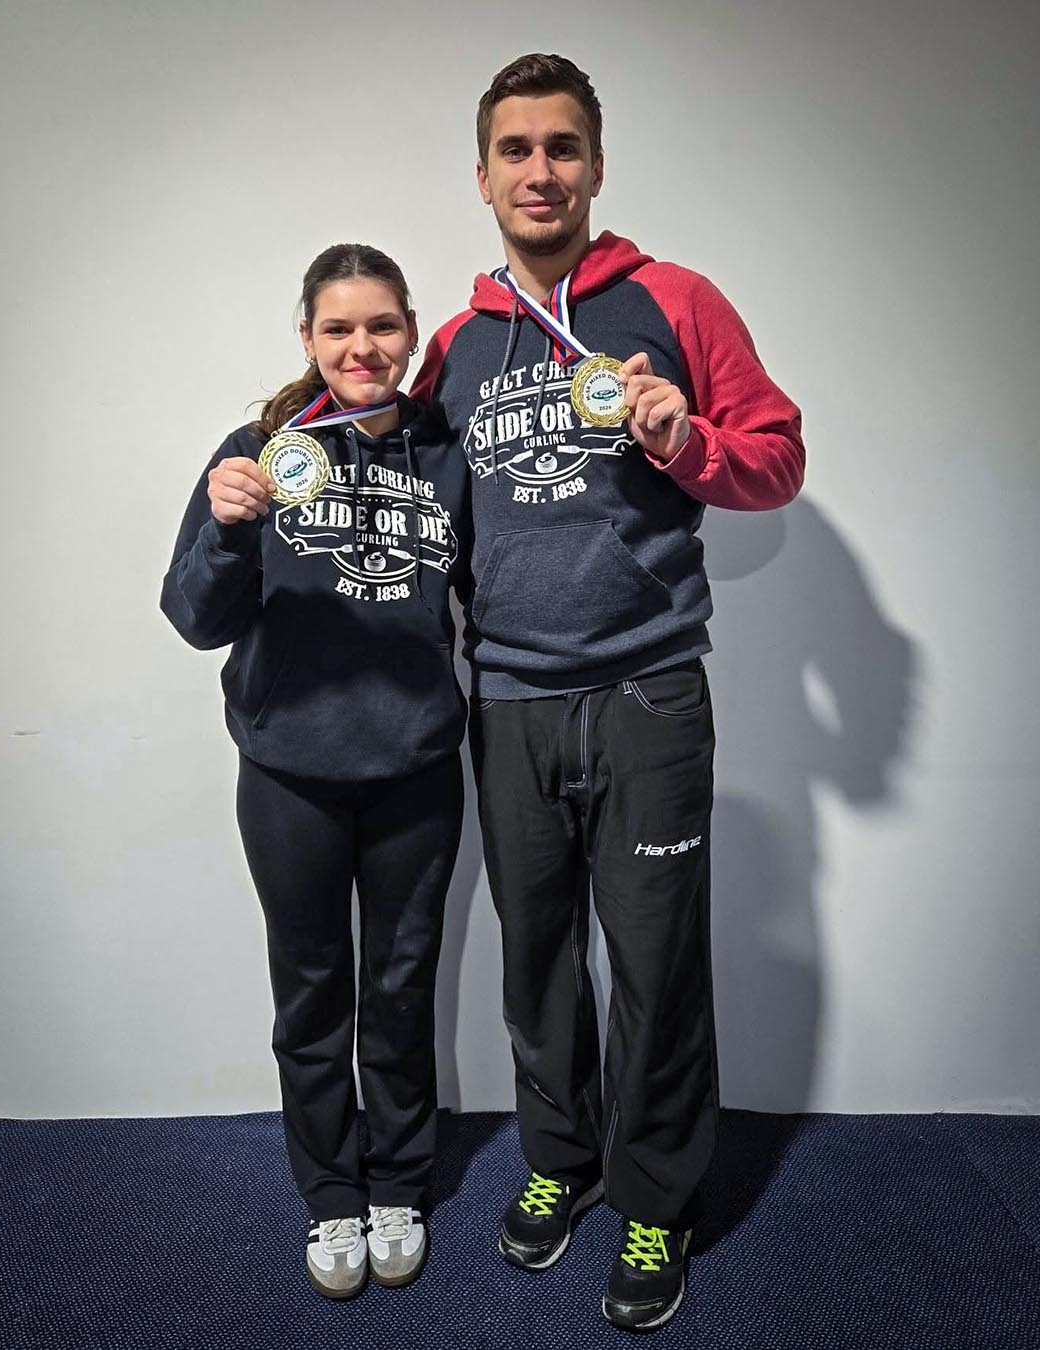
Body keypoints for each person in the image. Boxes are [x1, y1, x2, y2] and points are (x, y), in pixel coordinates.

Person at [412, 54, 805, 1332]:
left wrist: (691, 442)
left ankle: (654, 1197)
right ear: (483, 177)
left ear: (595, 164)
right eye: (516, 150)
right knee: (537, 964)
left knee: (654, 965)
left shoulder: (673, 299)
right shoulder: (454, 347)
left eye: (563, 147)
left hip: (647, 693)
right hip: (509, 701)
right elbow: (416, 520)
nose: (541, 171)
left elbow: (777, 457)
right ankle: (561, 1159)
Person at [160, 244, 469, 1299]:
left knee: (401, 988)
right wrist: (227, 529)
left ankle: (398, 1185)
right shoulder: (258, 450)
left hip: (415, 772)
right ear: (307, 337)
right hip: (290, 774)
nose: (361, 347)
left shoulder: (447, 454)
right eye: (338, 328)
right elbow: (193, 617)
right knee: (310, 993)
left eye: (381, 325)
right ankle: (332, 1194)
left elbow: (496, 590)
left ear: (410, 332)